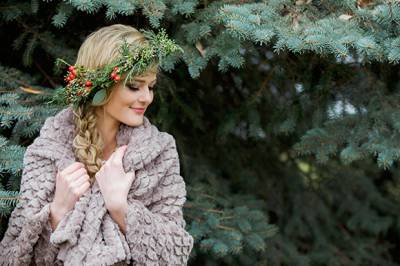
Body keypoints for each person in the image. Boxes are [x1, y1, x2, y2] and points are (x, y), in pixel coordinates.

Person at [0, 24, 194, 265]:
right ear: (101, 85)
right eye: (134, 86)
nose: (147, 97)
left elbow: (174, 255)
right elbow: (13, 256)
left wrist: (121, 209)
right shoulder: (47, 152)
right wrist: (57, 212)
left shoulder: (159, 153)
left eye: (151, 86)